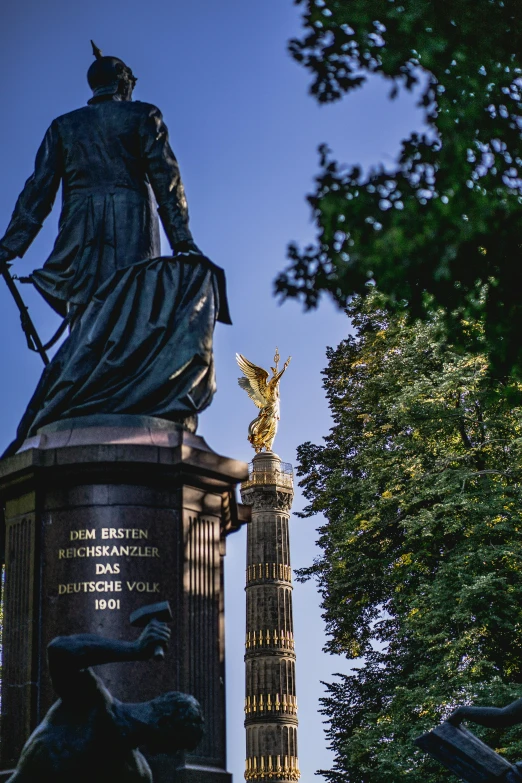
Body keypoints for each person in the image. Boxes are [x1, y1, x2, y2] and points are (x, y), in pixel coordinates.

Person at [0, 43, 231, 456]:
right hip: (130, 224)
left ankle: (83, 401)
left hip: (79, 231)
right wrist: (183, 243)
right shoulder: (143, 115)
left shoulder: (63, 126)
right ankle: (113, 399)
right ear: (124, 81)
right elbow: (167, 182)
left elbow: (37, 194)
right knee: (128, 315)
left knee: (88, 318)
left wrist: (10, 246)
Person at [7, 620, 203, 783]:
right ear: (165, 722)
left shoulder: (136, 774)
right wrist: (134, 649)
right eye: (176, 743)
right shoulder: (89, 702)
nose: (170, 752)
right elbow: (60, 650)